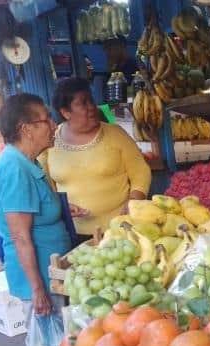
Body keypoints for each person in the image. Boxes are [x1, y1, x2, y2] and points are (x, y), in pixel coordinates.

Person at [0, 93, 71, 346]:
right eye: (45, 119)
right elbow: (20, 235)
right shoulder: (14, 167)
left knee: (48, 339)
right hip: (36, 273)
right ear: (25, 128)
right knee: (44, 342)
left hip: (45, 269)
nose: (53, 125)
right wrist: (38, 288)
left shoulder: (26, 162)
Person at [41, 77, 151, 239]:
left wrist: (134, 201)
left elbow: (140, 171)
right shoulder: (51, 141)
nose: (91, 107)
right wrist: (61, 206)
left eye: (91, 100)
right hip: (72, 233)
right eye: (83, 103)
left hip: (120, 229)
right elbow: (47, 187)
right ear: (65, 112)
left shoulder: (116, 134)